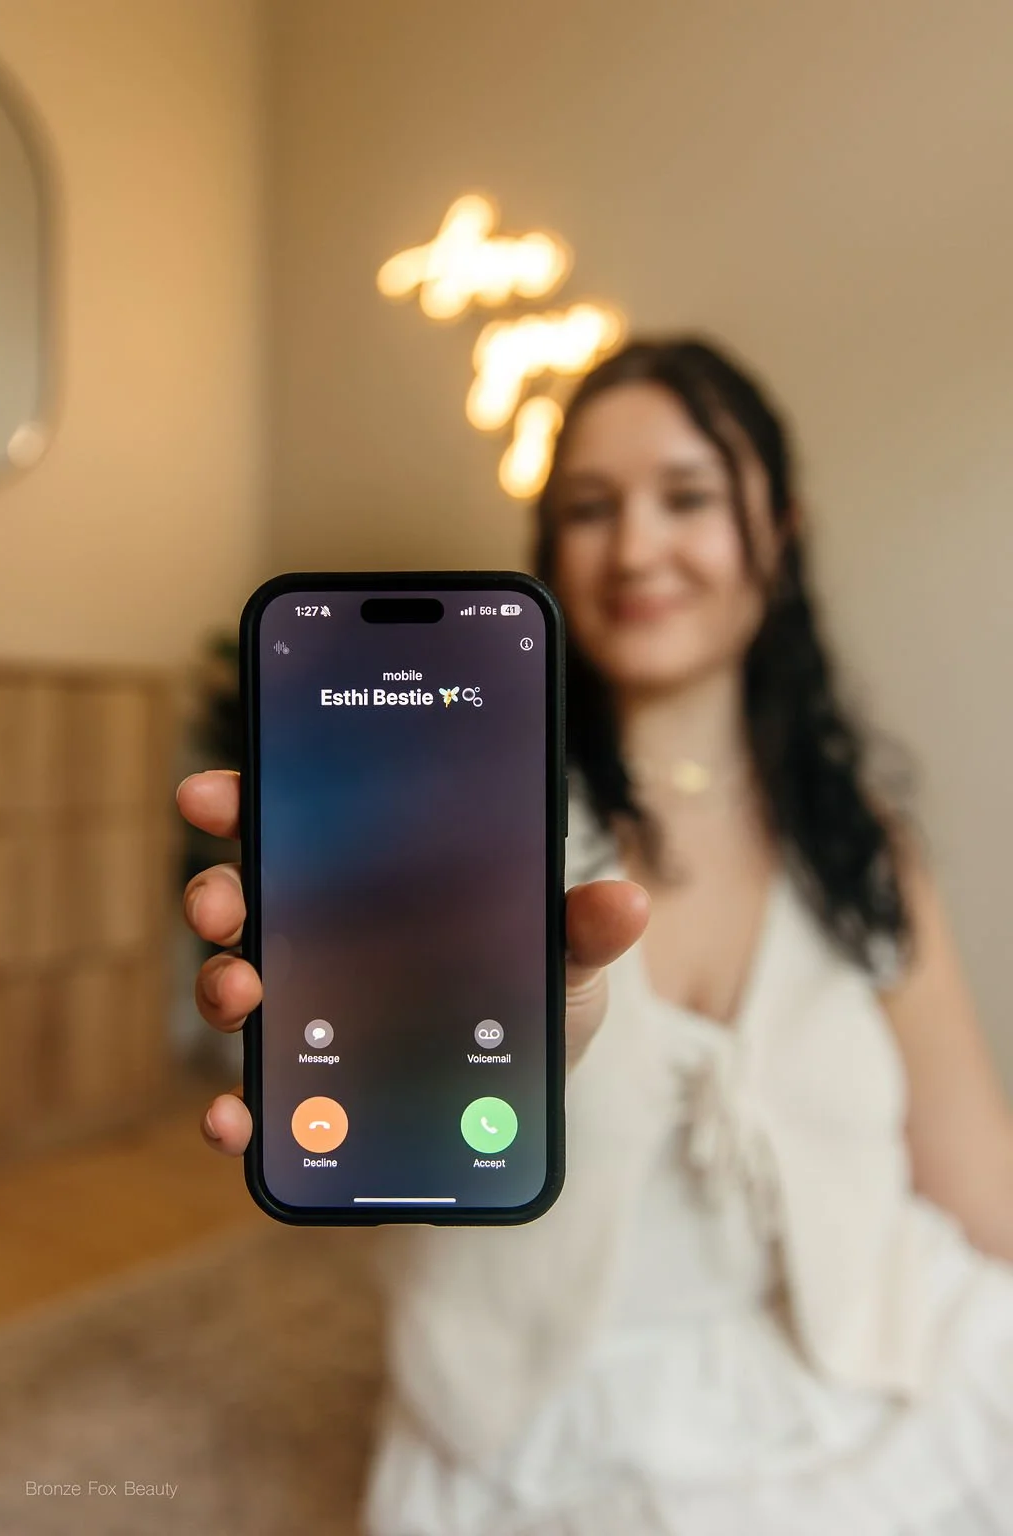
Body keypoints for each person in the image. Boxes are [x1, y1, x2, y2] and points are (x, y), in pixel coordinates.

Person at [177, 337, 1013, 1535]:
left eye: (686, 497)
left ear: (776, 529)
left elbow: (974, 1170)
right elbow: (402, 1146)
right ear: (548, 558)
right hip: (546, 1434)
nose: (634, 547)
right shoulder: (460, 815)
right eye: (589, 509)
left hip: (870, 1371)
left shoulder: (861, 843)